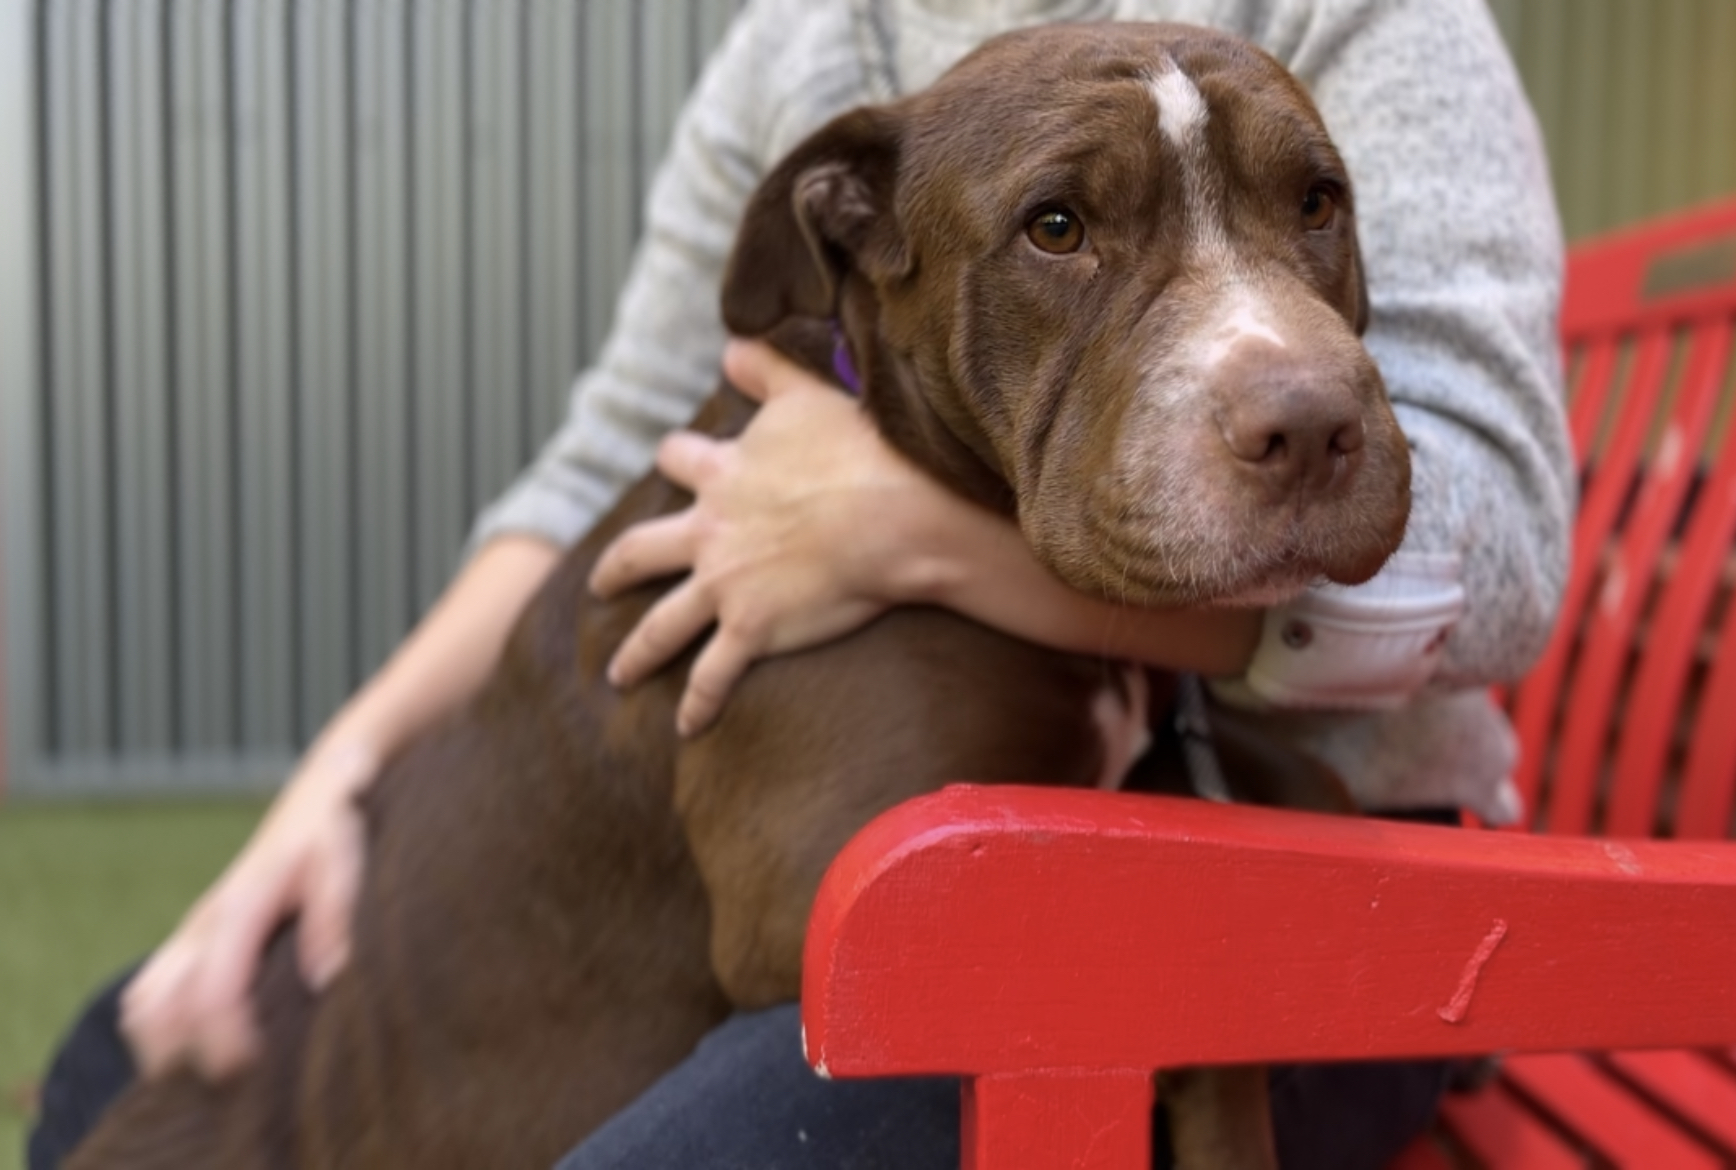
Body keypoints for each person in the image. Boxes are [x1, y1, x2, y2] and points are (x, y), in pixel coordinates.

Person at [30, 0, 1571, 1166]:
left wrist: (905, 531)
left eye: (1311, 209)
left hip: (1367, 889)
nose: (1281, 355)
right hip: (882, 891)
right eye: (1059, 225)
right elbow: (609, 455)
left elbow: (1498, 545)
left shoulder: (1358, 18)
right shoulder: (814, 39)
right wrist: (344, 767)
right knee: (124, 1055)